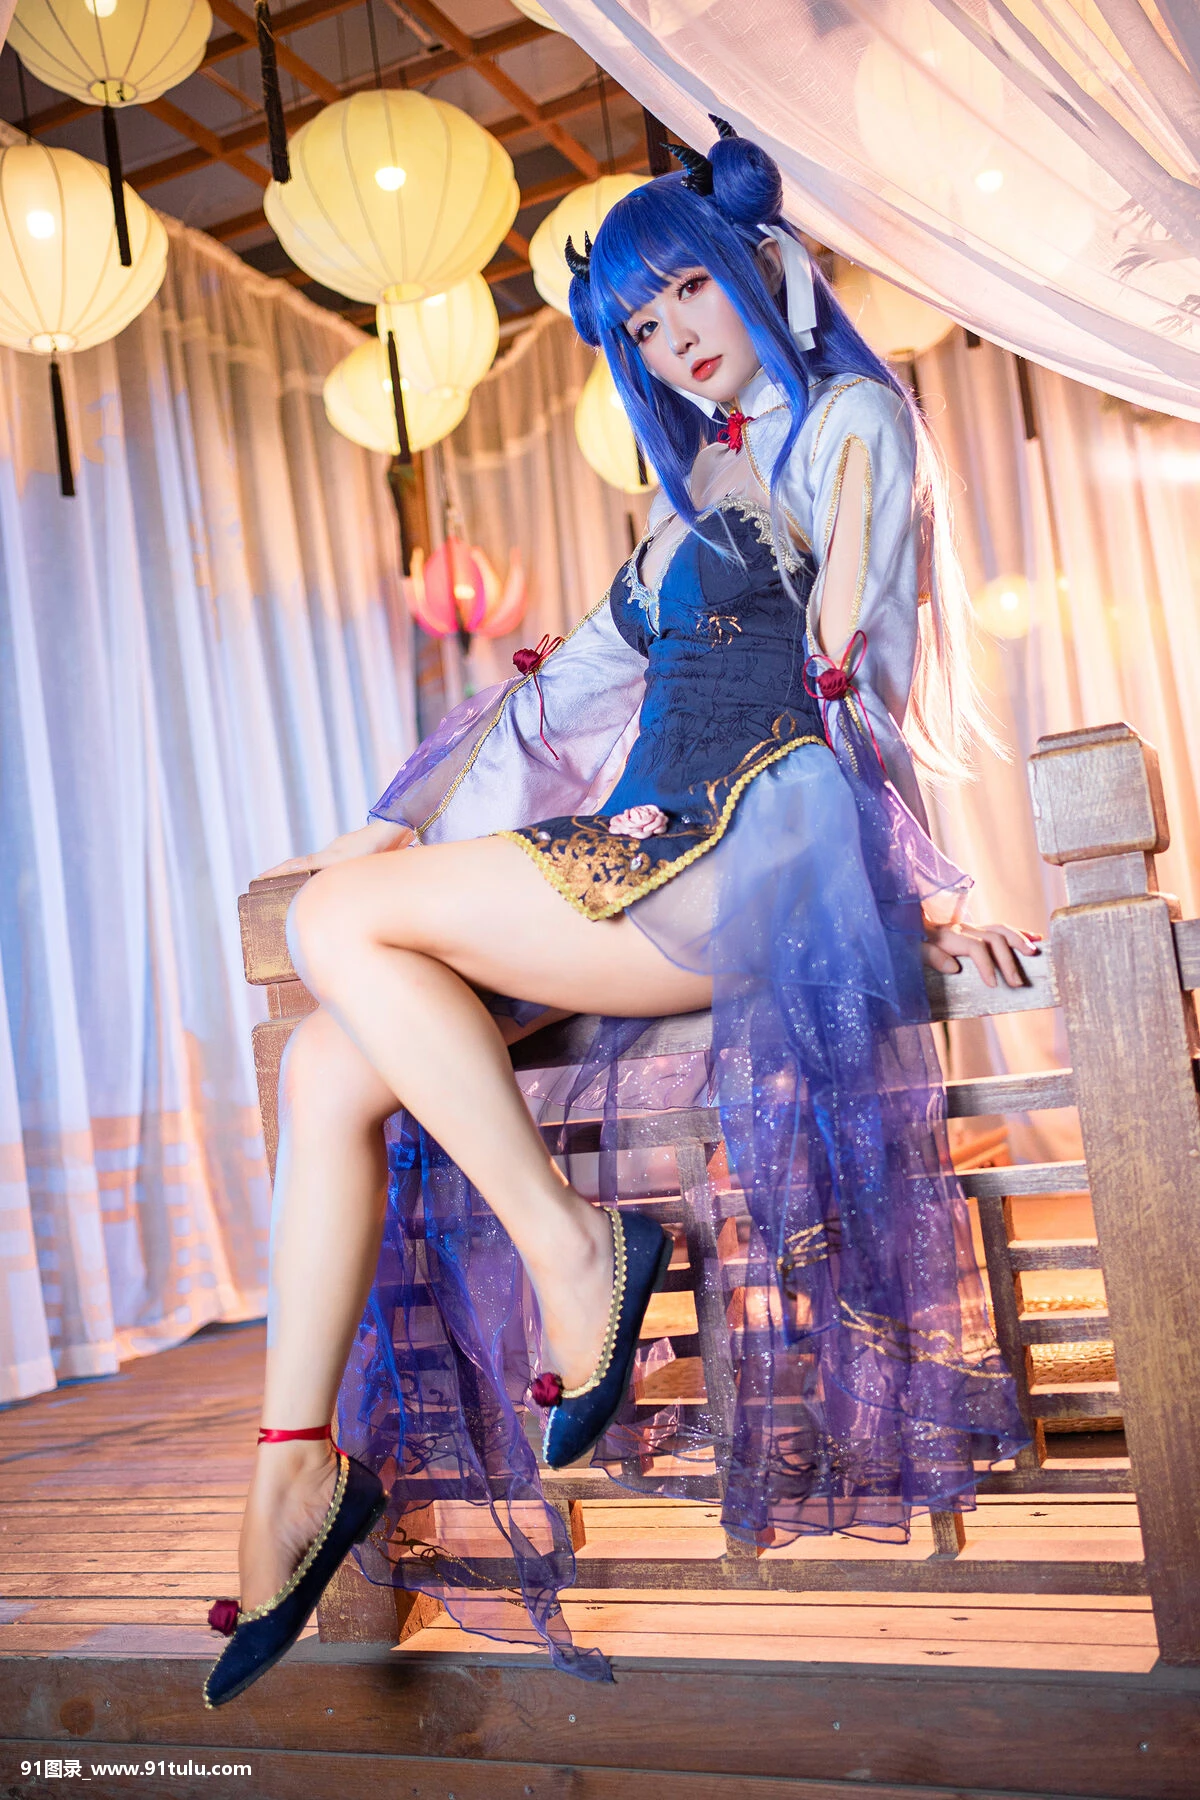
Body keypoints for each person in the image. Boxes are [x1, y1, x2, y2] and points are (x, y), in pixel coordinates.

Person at [203, 120, 1035, 1708]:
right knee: (324, 1059)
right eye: (641, 326)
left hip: (745, 849)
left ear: (757, 266)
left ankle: (575, 1249)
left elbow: (859, 675)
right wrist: (369, 835)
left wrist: (933, 893)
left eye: (687, 294)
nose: (672, 338)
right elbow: (553, 697)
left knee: (343, 935)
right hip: (639, 853)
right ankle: (295, 1464)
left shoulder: (851, 420)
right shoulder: (693, 491)